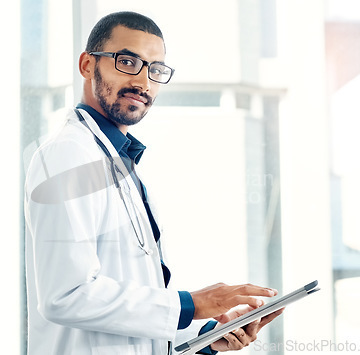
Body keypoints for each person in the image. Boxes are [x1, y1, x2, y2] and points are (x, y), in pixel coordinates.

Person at [24, 11, 284, 355]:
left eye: (155, 70)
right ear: (88, 64)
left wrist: (204, 337)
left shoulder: (119, 162)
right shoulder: (68, 156)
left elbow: (124, 316)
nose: (143, 83)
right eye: (128, 62)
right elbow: (65, 296)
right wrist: (191, 304)